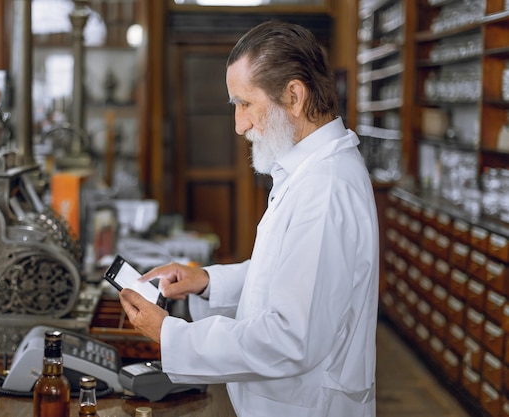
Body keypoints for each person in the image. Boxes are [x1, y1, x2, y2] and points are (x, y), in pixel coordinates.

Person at [119, 20, 379, 417]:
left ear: (294, 95)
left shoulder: (325, 188)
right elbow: (290, 275)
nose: (240, 125)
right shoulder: (307, 169)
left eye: (245, 104)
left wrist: (171, 335)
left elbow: (289, 339)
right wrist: (207, 281)